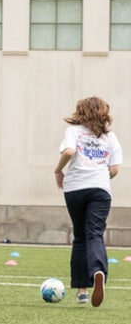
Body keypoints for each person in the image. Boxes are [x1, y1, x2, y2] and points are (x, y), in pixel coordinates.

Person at [54, 96, 122, 307]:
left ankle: (82, 290)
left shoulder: (73, 131)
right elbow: (114, 168)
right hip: (100, 189)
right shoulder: (110, 136)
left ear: (80, 112)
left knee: (80, 235)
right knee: (95, 234)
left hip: (75, 188)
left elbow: (69, 151)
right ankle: (98, 271)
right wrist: (99, 175)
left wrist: (58, 170)